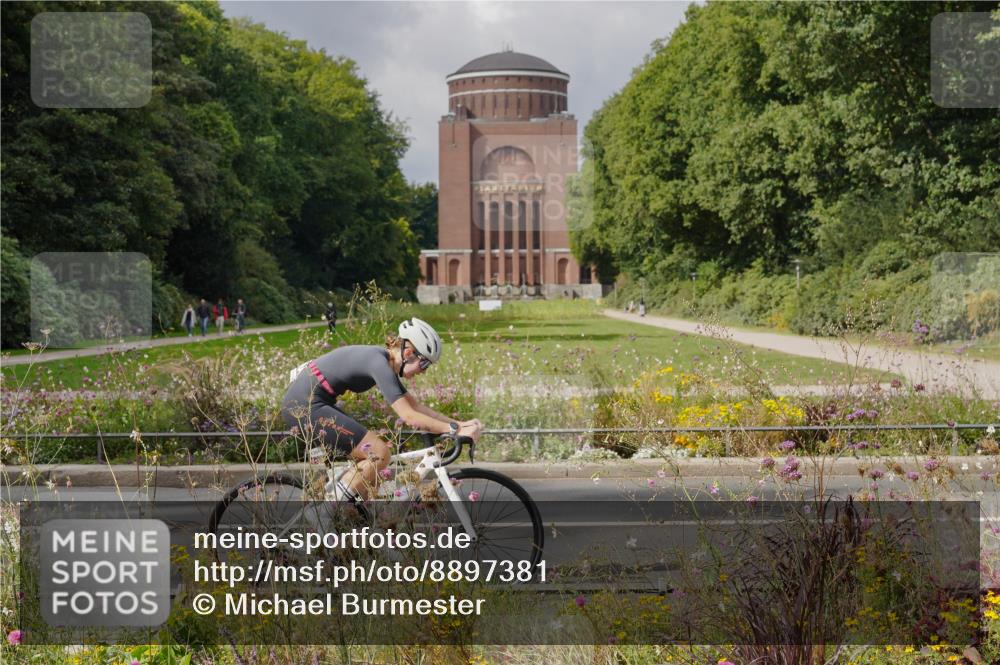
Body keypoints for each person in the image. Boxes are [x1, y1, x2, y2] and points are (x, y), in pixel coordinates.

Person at [281, 317, 481, 502]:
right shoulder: (378, 363)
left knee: (372, 478)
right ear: (409, 353)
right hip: (305, 406)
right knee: (379, 453)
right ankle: (327, 511)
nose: (424, 371)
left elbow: (415, 406)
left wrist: (459, 424)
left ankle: (350, 515)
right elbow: (409, 416)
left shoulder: (383, 361)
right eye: (425, 363)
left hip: (314, 402)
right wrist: (453, 429)